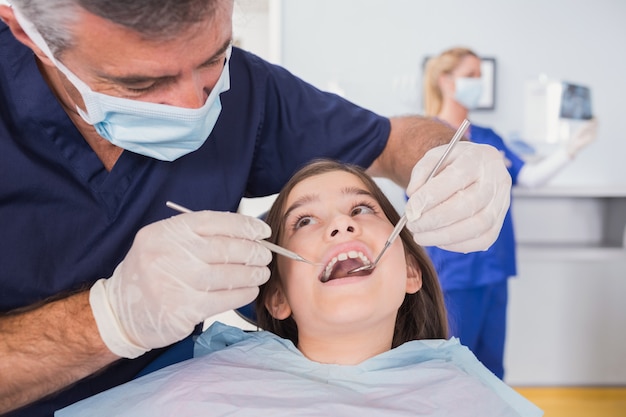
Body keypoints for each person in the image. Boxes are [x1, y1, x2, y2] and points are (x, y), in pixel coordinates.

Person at [0, 1, 512, 414]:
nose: (194, 106)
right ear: (27, 33)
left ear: (413, 273)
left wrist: (447, 160)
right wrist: (109, 319)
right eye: (142, 84)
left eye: (211, 61)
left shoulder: (248, 91)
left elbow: (394, 139)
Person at [55, 160, 542, 417]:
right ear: (277, 297)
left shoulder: (472, 403)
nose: (340, 228)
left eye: (362, 210)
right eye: (304, 219)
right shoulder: (191, 396)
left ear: (411, 272)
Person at [422, 46, 597, 379]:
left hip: (494, 270)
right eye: (470, 76)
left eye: (480, 76)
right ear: (445, 81)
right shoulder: (426, 136)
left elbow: (528, 178)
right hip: (454, 272)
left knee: (491, 368)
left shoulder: (489, 137)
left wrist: (570, 149)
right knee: (452, 368)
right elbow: (425, 199)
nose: (478, 83)